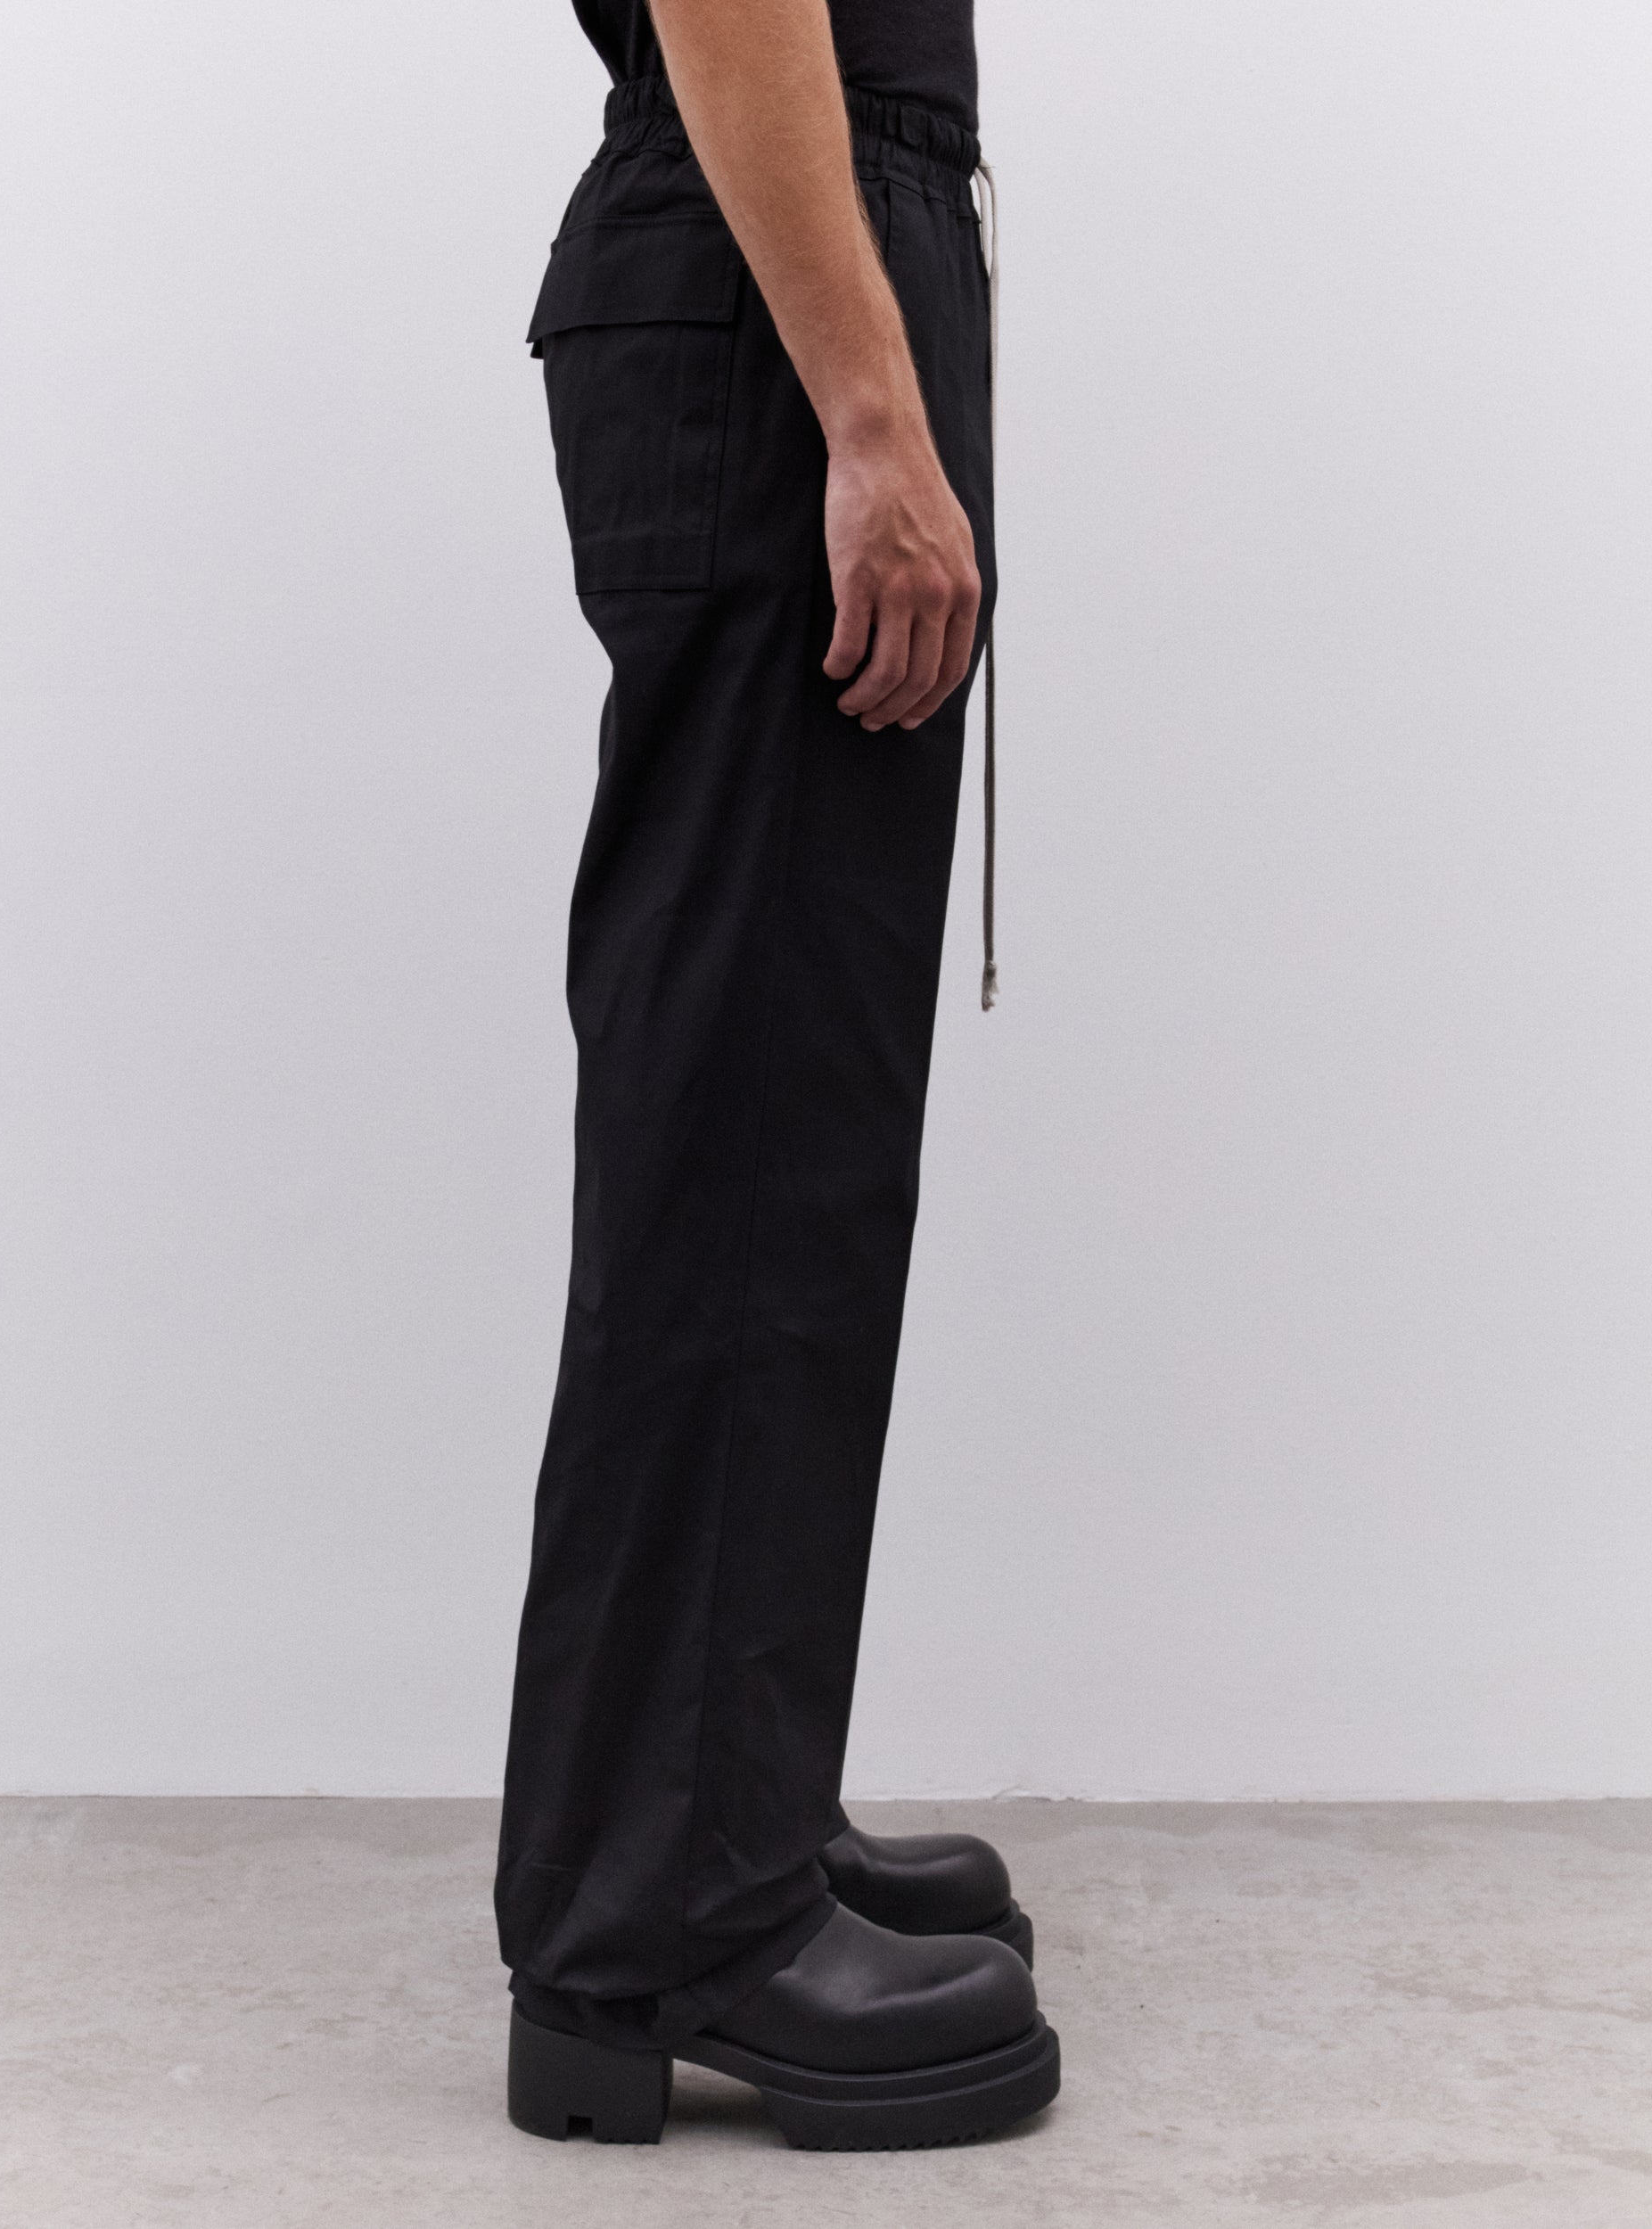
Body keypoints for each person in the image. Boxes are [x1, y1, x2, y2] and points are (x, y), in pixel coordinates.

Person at [496, 0, 1058, 2149]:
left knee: (784, 1143)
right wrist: (871, 413)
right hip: (774, 293)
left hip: (787, 259)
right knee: (739, 1150)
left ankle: (719, 1803)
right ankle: (657, 1921)